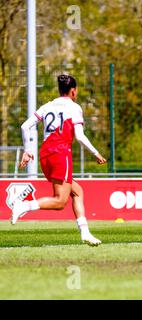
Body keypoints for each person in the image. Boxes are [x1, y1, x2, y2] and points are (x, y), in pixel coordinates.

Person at [11, 74, 107, 246]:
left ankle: (85, 233)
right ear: (73, 91)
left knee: (77, 191)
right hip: (61, 153)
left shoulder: (47, 106)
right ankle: (23, 206)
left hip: (45, 154)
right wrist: (96, 153)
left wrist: (27, 150)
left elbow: (24, 126)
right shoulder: (74, 107)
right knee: (60, 201)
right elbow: (79, 136)